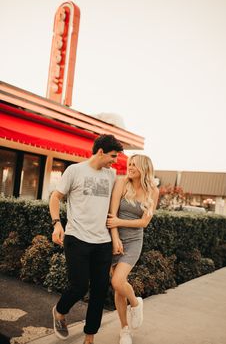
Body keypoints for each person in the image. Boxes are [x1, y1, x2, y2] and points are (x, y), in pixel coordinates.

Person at [49, 134, 123, 344]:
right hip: (77, 238)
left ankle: (89, 337)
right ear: (100, 152)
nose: (115, 160)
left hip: (102, 242)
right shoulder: (75, 170)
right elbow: (56, 197)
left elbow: (113, 206)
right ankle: (60, 312)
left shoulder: (111, 175)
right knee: (79, 286)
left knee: (100, 291)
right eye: (112, 156)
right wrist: (56, 223)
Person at [106, 154, 159, 344]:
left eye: (134, 165)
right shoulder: (121, 182)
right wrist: (115, 238)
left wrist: (120, 222)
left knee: (118, 281)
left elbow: (144, 222)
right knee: (118, 289)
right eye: (129, 164)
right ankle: (124, 329)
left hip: (134, 241)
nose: (130, 167)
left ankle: (136, 303)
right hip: (114, 239)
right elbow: (112, 214)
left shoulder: (153, 191)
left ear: (144, 168)